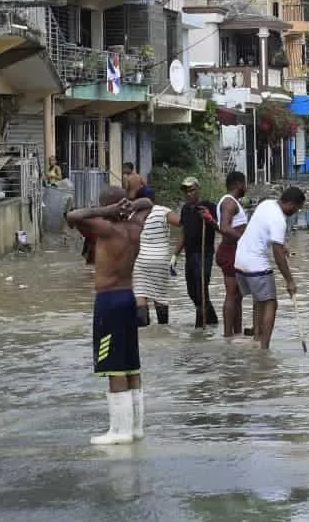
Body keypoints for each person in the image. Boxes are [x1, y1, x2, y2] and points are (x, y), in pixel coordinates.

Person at [66, 187, 155, 444]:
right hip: (128, 297)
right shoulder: (134, 228)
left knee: (113, 365)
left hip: (109, 301)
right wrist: (129, 205)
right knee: (131, 364)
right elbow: (147, 202)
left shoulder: (106, 228)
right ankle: (136, 428)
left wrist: (105, 211)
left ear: (108, 207)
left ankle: (120, 431)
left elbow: (72, 216)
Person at [234, 186, 306, 350]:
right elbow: (277, 255)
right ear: (291, 204)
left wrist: (283, 246)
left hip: (239, 261)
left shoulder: (266, 204)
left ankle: (257, 339)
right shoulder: (279, 220)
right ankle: (264, 348)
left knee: (260, 301)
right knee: (271, 303)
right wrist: (290, 281)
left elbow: (263, 232)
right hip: (255, 264)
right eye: (297, 208)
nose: (296, 212)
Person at [174, 177, 219, 329]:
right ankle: (212, 320)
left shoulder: (208, 206)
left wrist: (209, 218)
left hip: (204, 254)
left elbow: (220, 228)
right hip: (190, 255)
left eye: (192, 190)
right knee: (192, 292)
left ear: (198, 190)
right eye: (186, 192)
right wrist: (174, 255)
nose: (189, 194)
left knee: (201, 290)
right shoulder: (185, 209)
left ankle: (200, 329)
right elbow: (183, 233)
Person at [132, 194, 180, 326]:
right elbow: (183, 224)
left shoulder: (134, 214)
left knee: (140, 294)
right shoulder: (163, 211)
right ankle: (163, 329)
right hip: (160, 260)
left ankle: (143, 329)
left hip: (140, 260)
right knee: (160, 297)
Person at [215, 171, 249, 337]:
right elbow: (224, 227)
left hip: (234, 251)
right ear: (238, 184)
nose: (246, 187)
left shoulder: (232, 202)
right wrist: (244, 239)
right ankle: (228, 335)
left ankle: (237, 333)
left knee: (238, 295)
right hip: (230, 251)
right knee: (231, 293)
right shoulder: (229, 202)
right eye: (245, 183)